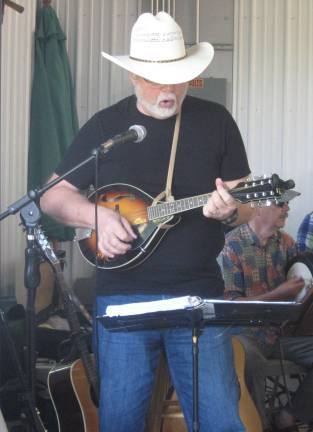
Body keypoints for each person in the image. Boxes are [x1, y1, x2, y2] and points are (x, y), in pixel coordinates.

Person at [40, 11, 253, 432]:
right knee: (120, 421)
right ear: (134, 77)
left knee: (220, 420)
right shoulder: (105, 126)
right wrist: (94, 214)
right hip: (122, 299)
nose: (168, 89)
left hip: (197, 298)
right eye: (155, 79)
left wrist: (232, 210)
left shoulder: (216, 122)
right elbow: (52, 195)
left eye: (176, 77)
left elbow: (244, 202)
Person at [222, 198, 313, 432]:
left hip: (279, 335)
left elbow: (304, 272)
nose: (287, 208)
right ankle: (259, 427)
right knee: (250, 361)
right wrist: (277, 294)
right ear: (258, 206)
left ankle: (291, 414)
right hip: (244, 334)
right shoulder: (231, 245)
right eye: (281, 203)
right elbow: (230, 304)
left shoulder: (286, 243)